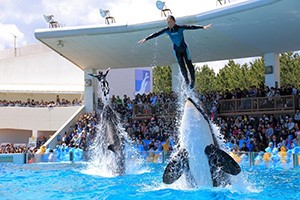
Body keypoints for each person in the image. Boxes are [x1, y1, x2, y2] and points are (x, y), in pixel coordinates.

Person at [138, 15, 212, 89]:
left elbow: (190, 27)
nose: (169, 23)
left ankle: (192, 82)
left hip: (185, 50)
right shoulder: (167, 30)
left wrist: (202, 27)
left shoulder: (180, 28)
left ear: (174, 21)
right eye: (168, 22)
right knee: (182, 67)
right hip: (177, 51)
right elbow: (156, 34)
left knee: (189, 66)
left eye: (170, 22)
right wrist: (146, 39)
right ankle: (187, 82)